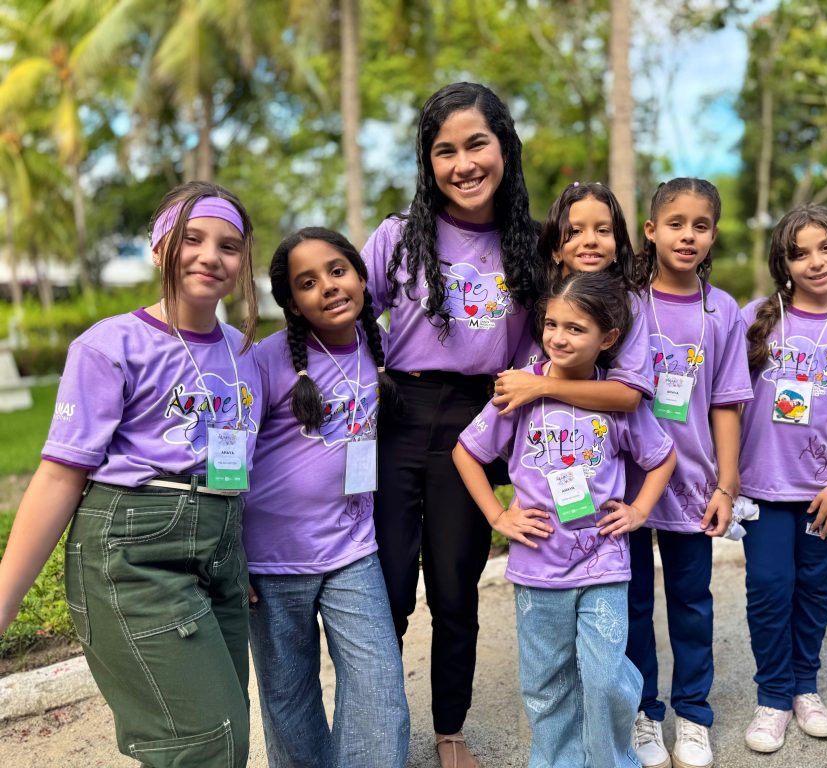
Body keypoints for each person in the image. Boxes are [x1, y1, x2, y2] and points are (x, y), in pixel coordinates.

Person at [0, 181, 260, 766]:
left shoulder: (244, 352)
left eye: (229, 245)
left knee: (224, 733)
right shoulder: (110, 345)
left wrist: (240, 555)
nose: (210, 256)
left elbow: (246, 466)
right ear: (159, 248)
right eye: (191, 239)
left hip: (219, 552)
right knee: (204, 742)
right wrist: (6, 599)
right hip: (134, 552)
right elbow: (60, 475)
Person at [361, 81, 540, 768]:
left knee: (456, 586)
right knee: (388, 587)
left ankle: (449, 727)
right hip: (399, 417)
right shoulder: (398, 237)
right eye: (445, 151)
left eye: (476, 144)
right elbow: (350, 314)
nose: (463, 164)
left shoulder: (530, 246)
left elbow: (539, 347)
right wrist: (378, 370)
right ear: (427, 161)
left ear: (504, 148)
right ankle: (376, 726)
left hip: (476, 422)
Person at [453, 270, 676, 768]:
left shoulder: (615, 400)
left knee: (605, 676)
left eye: (575, 328)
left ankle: (613, 760)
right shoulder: (520, 390)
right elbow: (466, 452)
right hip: (537, 565)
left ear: (607, 339)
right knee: (545, 682)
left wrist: (640, 510)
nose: (558, 337)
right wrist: (498, 514)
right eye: (552, 324)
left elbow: (662, 457)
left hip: (603, 563)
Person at [245, 227, 410, 767]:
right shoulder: (267, 360)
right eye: (308, 282)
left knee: (378, 686)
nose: (329, 287)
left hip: (352, 550)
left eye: (338, 271)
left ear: (361, 277)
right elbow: (229, 455)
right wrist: (230, 553)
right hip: (271, 560)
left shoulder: (382, 345)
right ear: (293, 303)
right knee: (289, 697)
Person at [739, 204, 827, 754]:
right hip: (763, 486)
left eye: (826, 247)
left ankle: (805, 687)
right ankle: (773, 697)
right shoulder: (757, 317)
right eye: (800, 253)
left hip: (825, 491)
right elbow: (726, 400)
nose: (816, 262)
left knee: (814, 590)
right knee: (769, 588)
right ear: (784, 262)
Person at [625, 178, 753, 768]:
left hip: (694, 485)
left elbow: (726, 403)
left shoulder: (721, 310)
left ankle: (694, 715)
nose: (687, 236)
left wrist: (726, 484)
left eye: (700, 226)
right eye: (675, 223)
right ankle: (644, 712)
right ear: (651, 230)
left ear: (713, 235)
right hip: (626, 485)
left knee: (691, 603)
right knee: (631, 605)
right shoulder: (625, 301)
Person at [499, 181, 654, 413]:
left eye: (603, 230)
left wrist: (541, 386)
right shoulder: (530, 293)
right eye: (575, 231)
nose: (590, 240)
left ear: (617, 245)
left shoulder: (627, 303)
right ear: (555, 249)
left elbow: (629, 396)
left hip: (599, 430)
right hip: (528, 425)